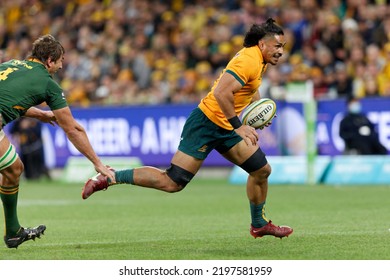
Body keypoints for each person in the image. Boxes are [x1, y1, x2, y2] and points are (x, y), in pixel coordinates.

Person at [82, 18, 293, 239]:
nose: (281, 52)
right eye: (277, 46)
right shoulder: (249, 60)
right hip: (206, 123)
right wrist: (239, 127)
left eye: (283, 47)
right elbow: (222, 93)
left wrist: (256, 110)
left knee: (261, 170)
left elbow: (250, 87)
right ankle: (111, 177)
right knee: (172, 182)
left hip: (225, 127)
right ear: (262, 44)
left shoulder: (259, 60)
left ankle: (258, 224)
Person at [0, 34, 115, 249]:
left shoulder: (12, 64)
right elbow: (73, 128)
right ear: (50, 60)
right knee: (13, 169)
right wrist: (98, 164)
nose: (61, 67)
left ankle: (14, 232)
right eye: (60, 61)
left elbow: (10, 98)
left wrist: (40, 115)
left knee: (13, 169)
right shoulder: (47, 83)